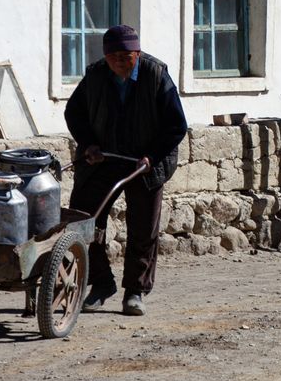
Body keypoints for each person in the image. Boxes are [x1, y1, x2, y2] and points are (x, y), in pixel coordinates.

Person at [62, 24, 187, 317]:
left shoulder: (156, 75)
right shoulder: (95, 75)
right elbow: (74, 113)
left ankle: (135, 291)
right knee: (84, 220)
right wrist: (89, 144)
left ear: (138, 53)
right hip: (103, 159)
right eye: (113, 54)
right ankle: (100, 282)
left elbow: (176, 125)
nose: (120, 59)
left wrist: (152, 157)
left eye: (126, 54)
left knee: (143, 228)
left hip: (145, 164)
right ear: (105, 57)